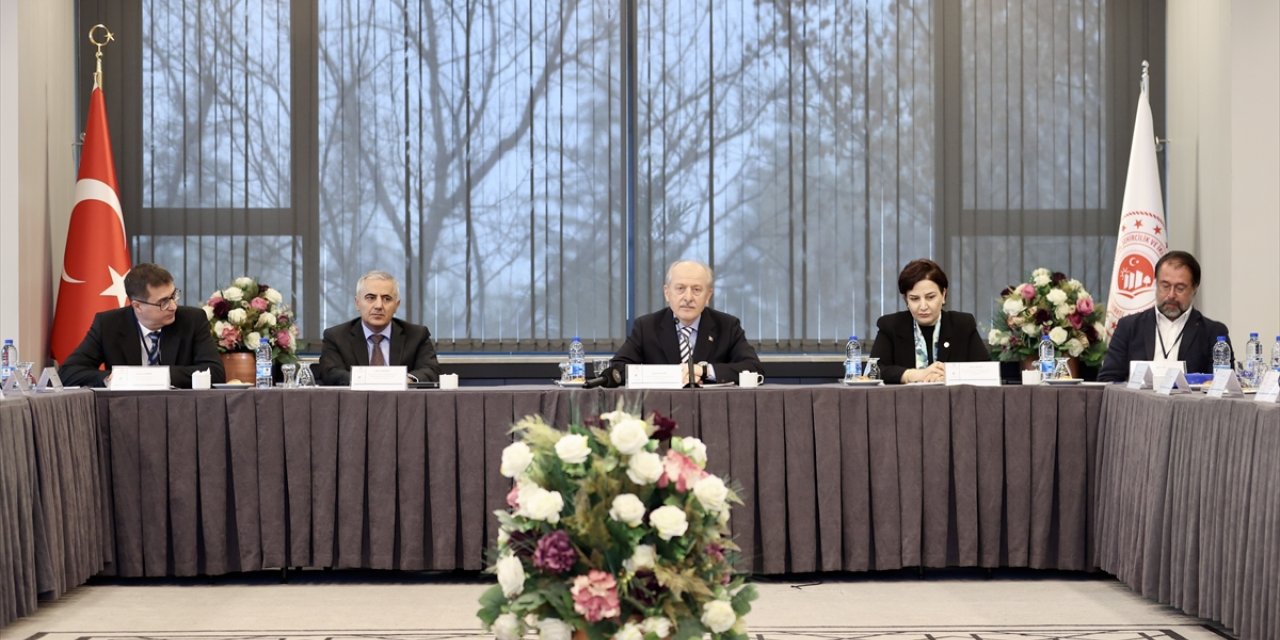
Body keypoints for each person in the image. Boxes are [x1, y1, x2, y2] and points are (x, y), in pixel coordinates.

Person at [59, 263, 225, 388]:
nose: (173, 306)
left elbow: (215, 373)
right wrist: (112, 377)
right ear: (137, 306)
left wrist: (153, 376)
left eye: (173, 296)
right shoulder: (108, 324)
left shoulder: (192, 320)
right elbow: (68, 373)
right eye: (163, 302)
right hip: (123, 413)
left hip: (180, 411)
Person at [612, 259, 763, 386]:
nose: (688, 297)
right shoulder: (646, 327)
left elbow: (754, 369)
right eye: (680, 288)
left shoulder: (727, 326)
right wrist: (669, 376)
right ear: (667, 293)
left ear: (708, 295)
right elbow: (617, 369)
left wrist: (703, 371)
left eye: (696, 289)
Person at [1097, 250, 1231, 382]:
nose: (1171, 295)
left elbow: (1222, 385)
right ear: (1156, 283)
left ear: (1194, 288)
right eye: (1165, 286)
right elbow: (1107, 380)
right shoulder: (1129, 327)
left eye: (1180, 288)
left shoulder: (1212, 332)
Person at [870, 258, 989, 384]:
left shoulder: (962, 325)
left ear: (943, 295)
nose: (923, 306)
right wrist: (914, 375)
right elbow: (874, 370)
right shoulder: (891, 326)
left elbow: (985, 369)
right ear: (906, 300)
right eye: (915, 299)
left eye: (930, 297)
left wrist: (950, 374)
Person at [315, 270, 441, 386]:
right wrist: (372, 380)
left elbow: (430, 370)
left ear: (396, 305)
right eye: (371, 298)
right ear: (357, 303)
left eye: (387, 299)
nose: (379, 305)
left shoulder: (417, 335)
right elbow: (330, 373)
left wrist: (407, 380)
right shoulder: (336, 336)